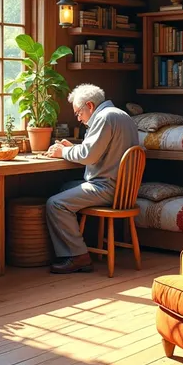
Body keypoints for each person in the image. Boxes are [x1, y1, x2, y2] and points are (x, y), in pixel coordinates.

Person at [45, 84, 139, 274]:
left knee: (55, 204)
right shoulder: (121, 115)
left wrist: (63, 151)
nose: (79, 119)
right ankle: (76, 247)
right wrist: (72, 148)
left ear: (90, 105)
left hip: (106, 187)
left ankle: (79, 256)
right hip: (122, 189)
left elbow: (88, 156)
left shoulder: (105, 118)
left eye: (79, 113)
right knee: (65, 188)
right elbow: (98, 151)